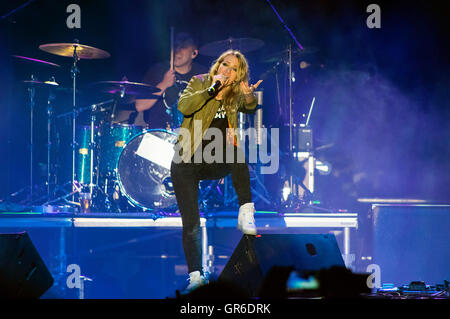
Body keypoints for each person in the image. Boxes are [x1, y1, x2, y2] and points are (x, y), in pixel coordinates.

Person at [170, 50, 263, 292]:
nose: (225, 70)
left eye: (232, 68)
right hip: (186, 159)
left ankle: (245, 212)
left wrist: (249, 95)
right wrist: (212, 89)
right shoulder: (200, 81)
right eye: (224, 64)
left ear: (237, 75)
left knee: (235, 151)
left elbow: (250, 107)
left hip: (213, 159)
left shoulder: (234, 94)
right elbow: (184, 106)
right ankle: (195, 277)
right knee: (191, 223)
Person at [135, 32, 208, 129]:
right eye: (176, 46)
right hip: (159, 134)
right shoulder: (157, 70)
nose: (177, 50)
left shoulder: (202, 74)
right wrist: (164, 84)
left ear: (194, 53)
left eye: (183, 47)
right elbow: (140, 105)